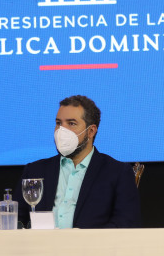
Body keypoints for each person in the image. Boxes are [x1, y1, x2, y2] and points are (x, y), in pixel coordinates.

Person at [14, 95, 141, 228]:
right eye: (58, 123)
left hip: (92, 242)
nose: (61, 131)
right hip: (42, 241)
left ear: (91, 131)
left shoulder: (117, 173)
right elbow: (16, 221)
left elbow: (127, 224)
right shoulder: (34, 170)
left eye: (71, 123)